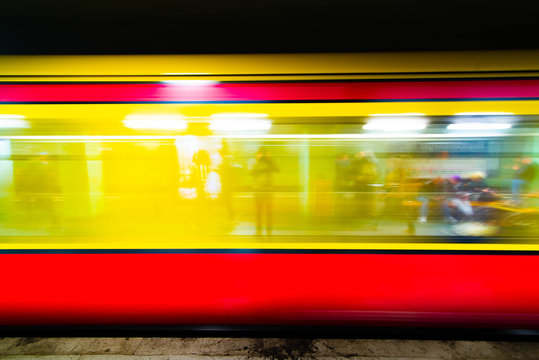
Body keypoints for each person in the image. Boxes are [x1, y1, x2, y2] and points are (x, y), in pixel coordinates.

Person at [251, 147, 279, 235]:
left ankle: (268, 229)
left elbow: (277, 169)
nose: (260, 156)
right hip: (259, 190)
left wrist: (269, 160)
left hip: (267, 191)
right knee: (259, 212)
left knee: (268, 212)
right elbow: (252, 173)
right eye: (259, 154)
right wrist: (259, 162)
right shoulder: (256, 163)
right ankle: (259, 229)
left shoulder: (269, 164)